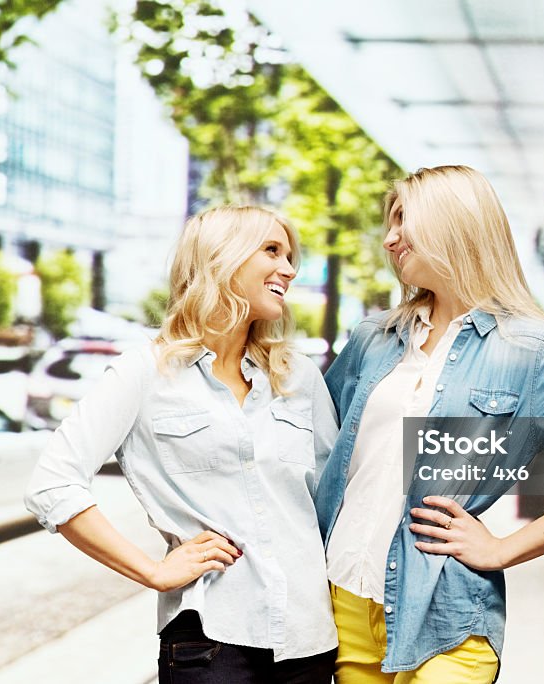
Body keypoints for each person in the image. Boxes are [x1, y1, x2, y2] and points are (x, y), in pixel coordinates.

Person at [317, 165, 544, 682]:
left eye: (404, 221)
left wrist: (501, 550)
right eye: (390, 222)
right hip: (344, 603)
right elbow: (316, 449)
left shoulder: (535, 352)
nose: (389, 238)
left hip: (447, 615)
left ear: (453, 226)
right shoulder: (373, 338)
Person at [25, 206, 338, 683]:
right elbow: (53, 484)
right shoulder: (145, 371)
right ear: (222, 258)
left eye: (290, 255)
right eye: (272, 251)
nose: (289, 269)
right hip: (211, 640)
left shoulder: (298, 378)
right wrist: (152, 571)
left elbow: (332, 501)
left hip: (309, 641)